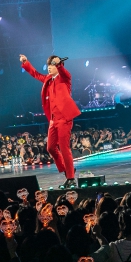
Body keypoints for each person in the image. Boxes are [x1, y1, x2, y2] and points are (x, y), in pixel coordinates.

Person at [20, 54, 81, 189]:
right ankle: (67, 169)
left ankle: (71, 178)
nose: (49, 68)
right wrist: (26, 62)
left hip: (64, 119)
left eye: (52, 65)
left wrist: (59, 64)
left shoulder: (64, 79)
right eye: (48, 65)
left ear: (58, 66)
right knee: (51, 148)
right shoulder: (48, 79)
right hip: (53, 120)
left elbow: (65, 73)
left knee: (64, 148)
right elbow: (36, 74)